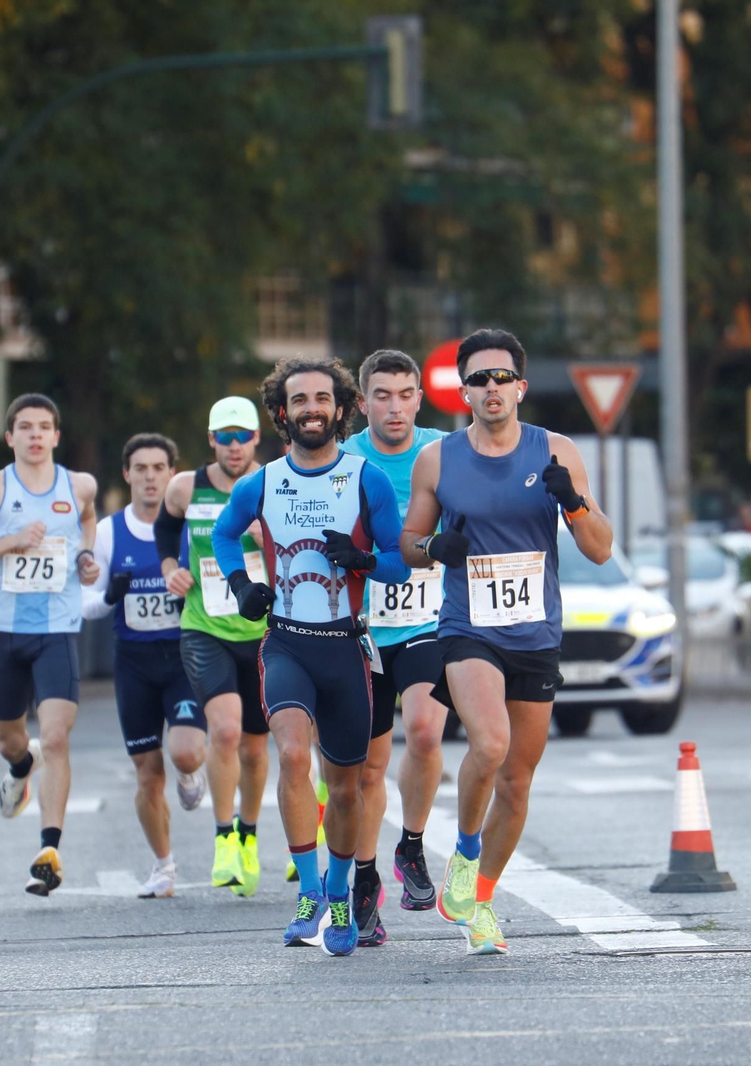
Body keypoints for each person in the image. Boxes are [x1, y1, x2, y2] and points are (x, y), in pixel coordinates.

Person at [401, 328, 613, 954]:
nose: (490, 389)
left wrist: (572, 503)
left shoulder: (558, 451)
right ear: (462, 391)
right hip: (469, 628)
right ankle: (464, 853)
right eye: (478, 380)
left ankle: (481, 900)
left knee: (518, 780)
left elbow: (601, 550)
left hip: (536, 632)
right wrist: (436, 547)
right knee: (489, 744)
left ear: (520, 386)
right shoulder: (437, 459)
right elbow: (409, 547)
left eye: (501, 378)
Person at [214, 356, 408, 957]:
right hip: (288, 642)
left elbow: (400, 561)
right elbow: (224, 534)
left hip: (347, 646)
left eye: (322, 399)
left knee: (345, 788)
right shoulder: (263, 483)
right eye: (299, 401)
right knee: (293, 754)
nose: (312, 409)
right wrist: (242, 585)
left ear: (341, 408)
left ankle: (342, 893)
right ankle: (308, 894)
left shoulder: (365, 477)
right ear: (282, 413)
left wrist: (362, 561)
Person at [0, 393, 99, 897]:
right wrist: (8, 541)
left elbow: (88, 521)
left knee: (55, 737)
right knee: (13, 740)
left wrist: (87, 556)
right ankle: (19, 767)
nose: (35, 436)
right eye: (24, 427)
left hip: (57, 630)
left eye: (44, 427)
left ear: (56, 436)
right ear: (10, 437)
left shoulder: (79, 486)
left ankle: (48, 850)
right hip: (4, 633)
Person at [340, 349, 451, 946]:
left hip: (426, 617)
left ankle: (411, 846)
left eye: (405, 393)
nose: (395, 406)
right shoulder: (344, 460)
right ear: (363, 404)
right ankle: (364, 880)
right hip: (361, 627)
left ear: (419, 399)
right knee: (368, 767)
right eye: (382, 395)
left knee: (427, 732)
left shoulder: (441, 450)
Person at [81, 433, 209, 898]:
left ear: (172, 474)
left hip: (185, 656)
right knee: (146, 771)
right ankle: (163, 867)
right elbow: (87, 605)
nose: (151, 477)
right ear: (127, 475)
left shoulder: (190, 527)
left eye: (160, 468)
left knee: (186, 751)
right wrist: (111, 594)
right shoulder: (111, 532)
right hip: (133, 663)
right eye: (142, 468)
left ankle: (192, 772)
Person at [153, 397, 270, 897]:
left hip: (265, 630)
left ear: (256, 439)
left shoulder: (275, 483)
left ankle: (249, 834)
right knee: (224, 732)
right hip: (206, 628)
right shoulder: (185, 488)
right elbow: (164, 529)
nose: (235, 445)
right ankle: (224, 838)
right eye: (225, 437)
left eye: (243, 435)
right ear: (211, 441)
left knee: (256, 744)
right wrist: (168, 570)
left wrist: (267, 544)